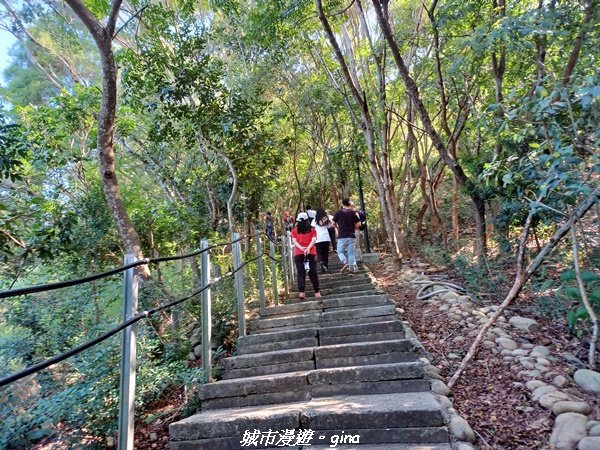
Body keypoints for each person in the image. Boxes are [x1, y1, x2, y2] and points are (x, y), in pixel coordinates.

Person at [291, 212, 321, 299]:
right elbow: (314, 240)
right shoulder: (312, 230)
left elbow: (294, 241)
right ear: (307, 221)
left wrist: (302, 248)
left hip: (299, 253)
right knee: (313, 272)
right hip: (311, 252)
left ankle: (301, 292)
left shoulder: (294, 231)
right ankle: (317, 292)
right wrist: (308, 248)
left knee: (300, 272)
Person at [333, 198, 361, 275]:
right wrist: (353, 227)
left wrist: (337, 227)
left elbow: (333, 222)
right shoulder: (353, 212)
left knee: (340, 251)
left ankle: (345, 262)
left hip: (342, 235)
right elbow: (359, 224)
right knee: (351, 253)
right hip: (351, 235)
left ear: (343, 204)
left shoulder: (338, 212)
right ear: (349, 204)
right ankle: (351, 271)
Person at [312, 208, 332, 273]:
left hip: (318, 238)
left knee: (319, 252)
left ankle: (320, 262)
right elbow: (329, 226)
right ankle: (325, 265)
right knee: (325, 252)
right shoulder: (326, 219)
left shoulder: (315, 220)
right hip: (326, 237)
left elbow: (312, 227)